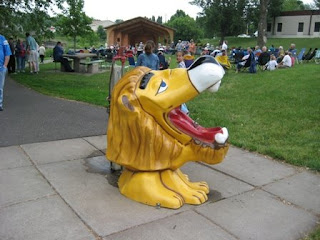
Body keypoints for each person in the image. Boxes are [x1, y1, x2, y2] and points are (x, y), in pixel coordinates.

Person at [0, 34, 12, 111]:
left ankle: (0, 104)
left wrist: (5, 66)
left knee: (0, 87)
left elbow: (7, 53)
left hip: (1, 68)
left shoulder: (2, 38)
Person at [176, 50, 189, 114]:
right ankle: (184, 110)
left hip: (180, 84)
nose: (178, 57)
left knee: (179, 98)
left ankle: (185, 111)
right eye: (177, 56)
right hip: (180, 84)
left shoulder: (181, 65)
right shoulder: (180, 64)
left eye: (180, 56)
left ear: (183, 57)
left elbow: (181, 75)